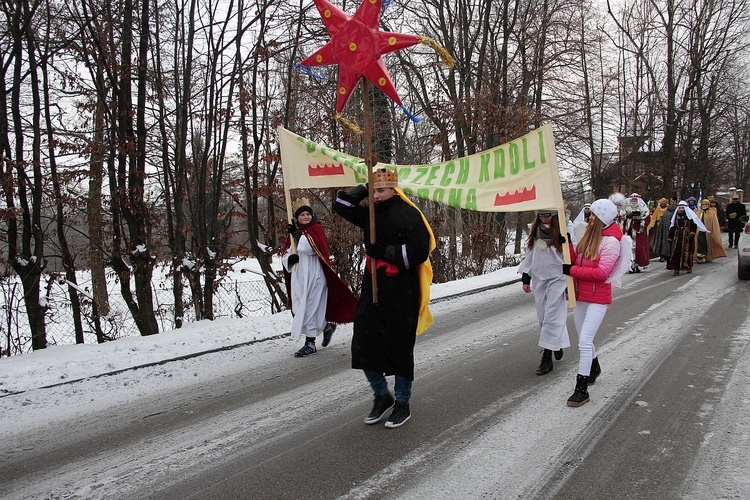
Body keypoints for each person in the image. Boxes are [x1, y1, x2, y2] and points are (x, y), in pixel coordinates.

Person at [333, 168, 435, 429]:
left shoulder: (409, 214)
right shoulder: (370, 213)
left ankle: (403, 402)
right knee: (364, 342)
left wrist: (385, 251)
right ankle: (382, 396)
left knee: (400, 346)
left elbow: (420, 250)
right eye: (374, 191)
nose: (376, 196)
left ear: (394, 188)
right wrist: (366, 187)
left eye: (381, 190)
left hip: (402, 288)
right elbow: (342, 206)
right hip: (373, 286)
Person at [562, 194, 631, 407]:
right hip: (582, 295)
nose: (589, 218)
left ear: (602, 218)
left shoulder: (611, 242)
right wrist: (567, 245)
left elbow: (602, 273)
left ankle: (581, 389)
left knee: (584, 341)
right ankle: (594, 367)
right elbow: (577, 259)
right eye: (589, 214)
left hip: (598, 299)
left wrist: (572, 270)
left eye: (592, 215)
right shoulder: (589, 237)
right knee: (584, 338)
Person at [282, 198, 357, 357]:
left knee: (310, 307)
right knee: (302, 306)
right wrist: (290, 259)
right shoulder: (295, 232)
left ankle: (310, 343)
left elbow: (311, 248)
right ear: (297, 217)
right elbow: (287, 252)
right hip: (300, 276)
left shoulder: (316, 229)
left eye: (308, 214)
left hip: (315, 275)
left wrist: (298, 235)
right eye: (302, 215)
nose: (306, 217)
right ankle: (326, 326)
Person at [517, 210, 571, 376]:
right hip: (540, 278)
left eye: (547, 215)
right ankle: (557, 342)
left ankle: (546, 356)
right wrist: (526, 277)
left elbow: (572, 255)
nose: (544, 218)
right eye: (541, 215)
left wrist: (566, 242)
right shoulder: (536, 230)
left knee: (552, 315)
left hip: (558, 278)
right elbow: (530, 254)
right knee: (543, 318)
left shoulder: (566, 227)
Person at [666, 201, 706, 276]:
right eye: (680, 208)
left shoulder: (689, 217)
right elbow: (673, 227)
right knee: (676, 253)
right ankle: (676, 269)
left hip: (687, 237)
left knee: (687, 253)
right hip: (678, 237)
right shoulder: (676, 218)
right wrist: (670, 237)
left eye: (682, 208)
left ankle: (688, 267)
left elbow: (693, 226)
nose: (681, 209)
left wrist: (692, 233)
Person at [621, 193, 651, 273]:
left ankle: (637, 265)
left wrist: (639, 220)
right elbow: (621, 217)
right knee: (629, 249)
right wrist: (627, 217)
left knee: (639, 248)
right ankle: (630, 266)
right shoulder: (626, 208)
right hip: (629, 231)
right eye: (632, 200)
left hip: (639, 233)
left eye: (635, 200)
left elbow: (647, 220)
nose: (633, 201)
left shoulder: (644, 209)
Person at [694, 199, 727, 264]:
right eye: (703, 204)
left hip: (708, 231)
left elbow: (714, 222)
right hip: (700, 231)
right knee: (700, 243)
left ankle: (706, 256)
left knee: (707, 243)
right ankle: (700, 257)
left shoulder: (712, 212)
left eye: (706, 204)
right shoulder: (699, 212)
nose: (704, 206)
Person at [654, 197, 678, 262]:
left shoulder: (669, 212)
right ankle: (665, 255)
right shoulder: (664, 211)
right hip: (665, 230)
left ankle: (666, 255)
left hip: (670, 231)